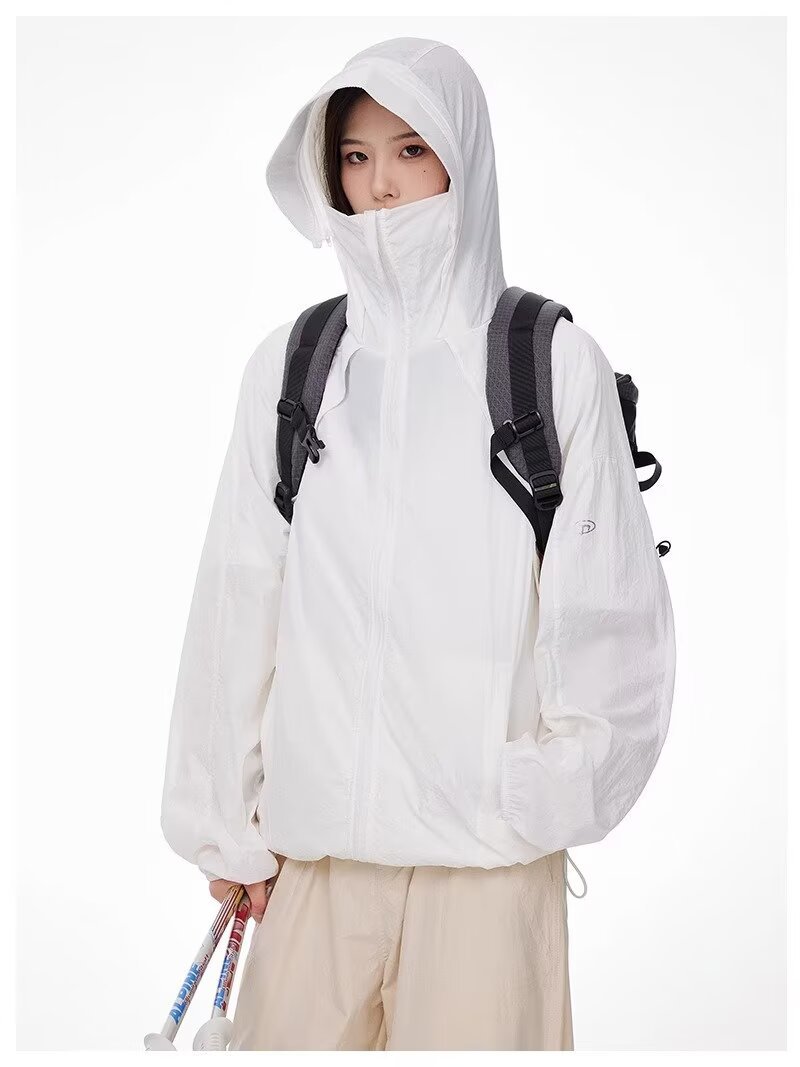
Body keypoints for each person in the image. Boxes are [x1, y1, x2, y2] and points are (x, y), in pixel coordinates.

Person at [159, 37, 676, 1051]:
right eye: (355, 157)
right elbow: (236, 595)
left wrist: (529, 796)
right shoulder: (296, 364)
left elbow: (611, 614)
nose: (381, 185)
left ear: (462, 158)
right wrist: (227, 820)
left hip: (482, 877)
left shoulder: (548, 363)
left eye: (409, 150)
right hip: (315, 869)